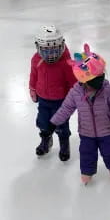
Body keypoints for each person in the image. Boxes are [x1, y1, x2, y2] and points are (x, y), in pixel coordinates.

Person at [49, 44, 110, 185]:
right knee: (86, 154)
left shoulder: (108, 90)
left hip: (107, 131)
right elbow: (66, 108)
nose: (101, 80)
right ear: (84, 80)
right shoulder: (76, 93)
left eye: (101, 76)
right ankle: (87, 172)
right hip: (86, 133)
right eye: (96, 79)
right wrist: (53, 122)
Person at [29, 26, 77, 161]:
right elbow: (33, 75)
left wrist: (74, 98)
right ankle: (46, 141)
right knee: (43, 122)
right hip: (43, 99)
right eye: (46, 50)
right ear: (39, 47)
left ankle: (64, 145)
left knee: (62, 124)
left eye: (54, 49)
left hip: (61, 101)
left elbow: (73, 81)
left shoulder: (66, 62)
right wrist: (32, 88)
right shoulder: (36, 60)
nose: (50, 54)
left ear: (61, 46)